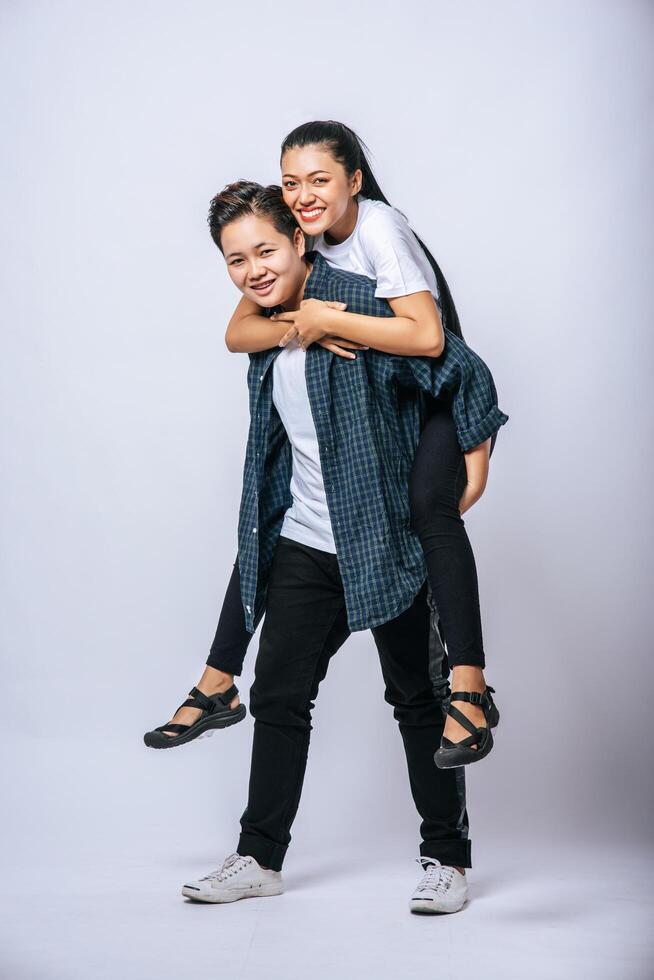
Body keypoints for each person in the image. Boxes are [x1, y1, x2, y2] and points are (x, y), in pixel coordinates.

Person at [176, 181, 507, 912]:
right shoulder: (267, 320)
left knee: (417, 700)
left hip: (383, 538)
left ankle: (446, 858)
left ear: (300, 238)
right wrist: (292, 321)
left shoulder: (356, 299)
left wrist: (476, 457)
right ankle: (259, 857)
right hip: (306, 539)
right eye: (236, 260)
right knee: (280, 696)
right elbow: (245, 343)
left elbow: (458, 366)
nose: (253, 269)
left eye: (265, 249)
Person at [145, 121, 505, 767]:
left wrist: (331, 319)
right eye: (292, 183)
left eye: (319, 180)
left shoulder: (377, 230)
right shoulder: (305, 248)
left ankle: (470, 687)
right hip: (391, 414)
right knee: (265, 515)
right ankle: (217, 682)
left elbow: (436, 346)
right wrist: (298, 323)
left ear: (355, 181)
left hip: (441, 394)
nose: (305, 194)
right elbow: (238, 332)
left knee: (431, 510)